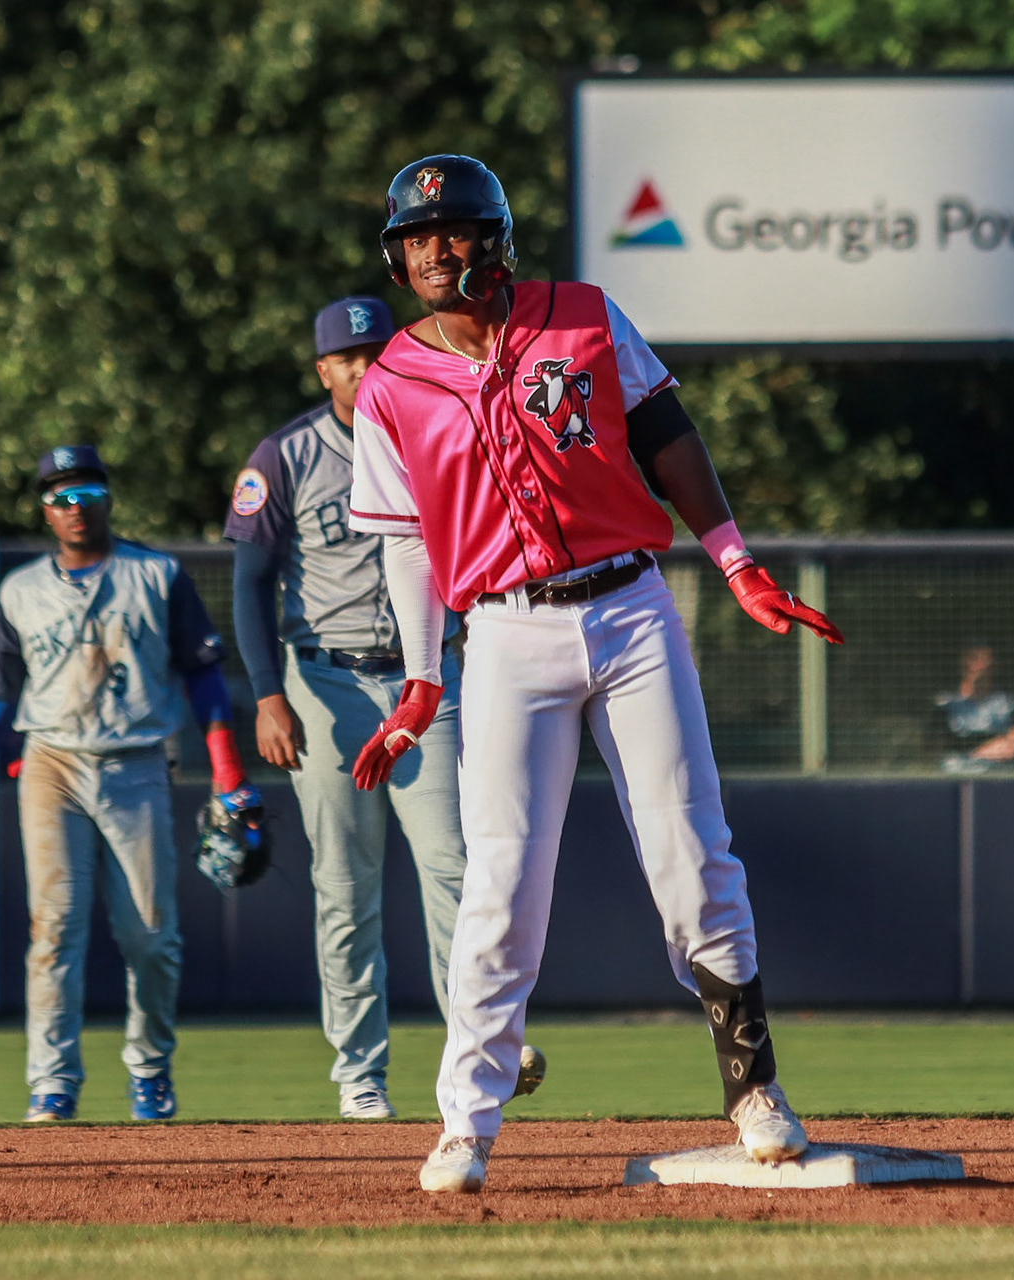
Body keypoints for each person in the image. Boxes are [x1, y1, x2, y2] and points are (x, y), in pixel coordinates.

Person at [345, 155, 843, 1193]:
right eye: (419, 236)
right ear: (398, 255)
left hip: (629, 608)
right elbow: (404, 543)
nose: (438, 249)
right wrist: (420, 677)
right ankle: (466, 1125)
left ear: (498, 238)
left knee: (693, 855)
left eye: (458, 229)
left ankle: (753, 1086)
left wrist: (737, 561)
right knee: (502, 882)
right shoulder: (389, 382)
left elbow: (666, 433)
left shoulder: (580, 313)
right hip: (503, 634)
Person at [0, 445, 262, 1123]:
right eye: (61, 497)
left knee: (151, 933)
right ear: (44, 510)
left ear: (108, 500)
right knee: (55, 928)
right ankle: (51, 1082)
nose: (75, 508)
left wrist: (228, 771)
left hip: (137, 761)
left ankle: (149, 1070)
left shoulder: (157, 574)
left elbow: (204, 675)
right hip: (51, 764)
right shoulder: (21, 589)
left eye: (87, 493)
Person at [225, 297, 478, 1120]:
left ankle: (474, 1053)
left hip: (427, 681)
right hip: (325, 681)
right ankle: (359, 1073)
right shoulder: (288, 454)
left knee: (457, 871)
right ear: (325, 370)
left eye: (378, 351)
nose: (367, 368)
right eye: (349, 357)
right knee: (345, 886)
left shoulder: (441, 431)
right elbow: (249, 584)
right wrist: (267, 694)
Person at [932, 641, 1014, 773]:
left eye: (982, 658)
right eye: (971, 658)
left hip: (1000, 777)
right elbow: (936, 747)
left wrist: (967, 753)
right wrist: (990, 747)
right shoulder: (944, 703)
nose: (974, 665)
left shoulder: (1009, 702)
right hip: (956, 776)